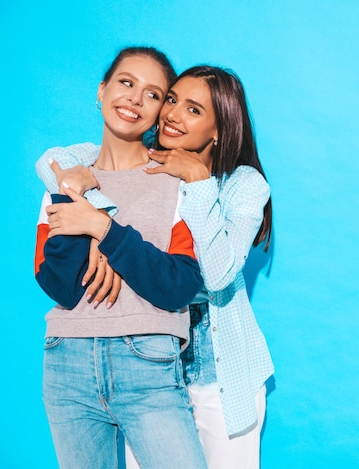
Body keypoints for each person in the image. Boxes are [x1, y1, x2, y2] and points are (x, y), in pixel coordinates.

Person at [36, 65, 275, 468]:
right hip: (147, 360)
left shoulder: (242, 184)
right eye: (171, 99)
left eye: (194, 110)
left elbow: (216, 277)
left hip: (219, 370)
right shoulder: (144, 159)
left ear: (219, 128)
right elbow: (54, 163)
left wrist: (198, 181)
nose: (173, 114)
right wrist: (99, 229)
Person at [34, 46, 207, 469]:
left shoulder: (176, 183)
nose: (134, 98)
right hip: (67, 363)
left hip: (148, 364)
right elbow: (58, 283)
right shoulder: (64, 180)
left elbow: (178, 287)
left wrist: (102, 229)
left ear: (159, 111)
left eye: (152, 94)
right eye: (126, 83)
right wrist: (73, 191)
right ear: (102, 90)